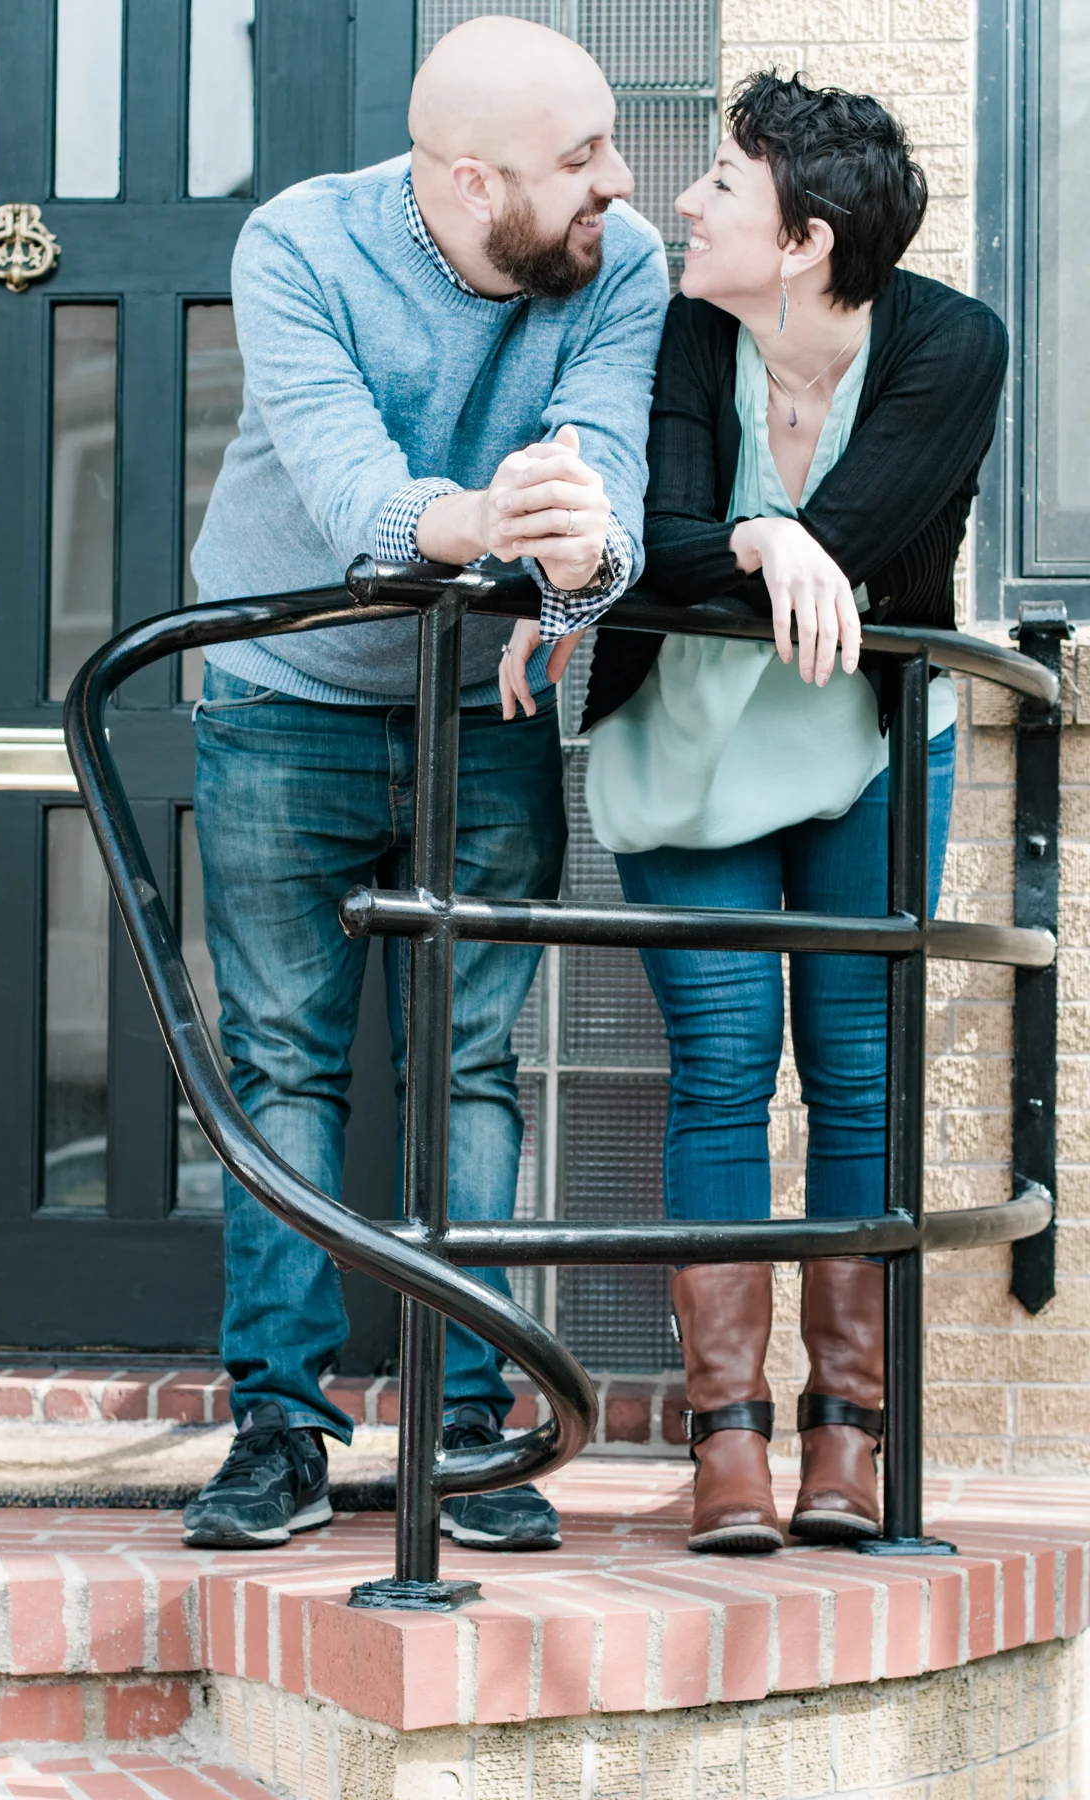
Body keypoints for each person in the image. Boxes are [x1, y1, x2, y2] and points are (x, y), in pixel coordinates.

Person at [181, 15, 669, 1551]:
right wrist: (489, 521)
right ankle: (279, 1425)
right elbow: (355, 497)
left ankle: (462, 1421)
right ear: (471, 184)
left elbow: (609, 473)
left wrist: (582, 558)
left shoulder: (621, 260)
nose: (619, 181)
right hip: (284, 700)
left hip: (485, 709)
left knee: (472, 1064)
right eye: (581, 158)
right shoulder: (298, 246)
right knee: (283, 1063)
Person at [502, 71, 1008, 1552]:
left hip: (863, 750)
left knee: (856, 1078)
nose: (683, 202)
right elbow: (648, 547)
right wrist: (758, 539)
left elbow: (866, 537)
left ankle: (848, 1439)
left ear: (804, 239)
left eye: (721, 182)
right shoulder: (676, 332)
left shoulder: (950, 344)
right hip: (688, 751)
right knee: (722, 1072)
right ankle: (727, 1443)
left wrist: (782, 540)